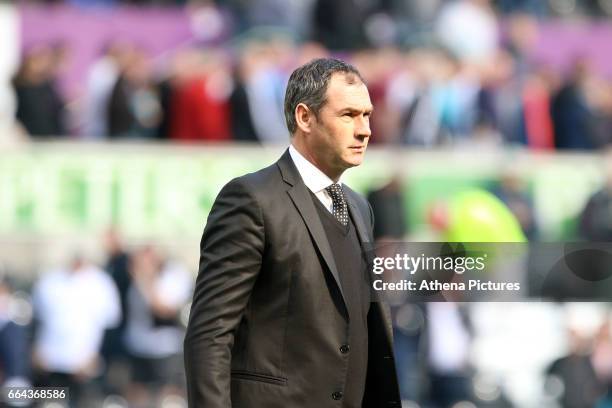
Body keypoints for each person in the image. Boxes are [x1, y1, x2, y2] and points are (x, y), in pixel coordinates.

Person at [184, 58, 401, 407]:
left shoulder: (360, 208)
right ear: (305, 118)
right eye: (348, 115)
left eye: (367, 115)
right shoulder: (252, 199)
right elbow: (210, 335)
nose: (365, 130)